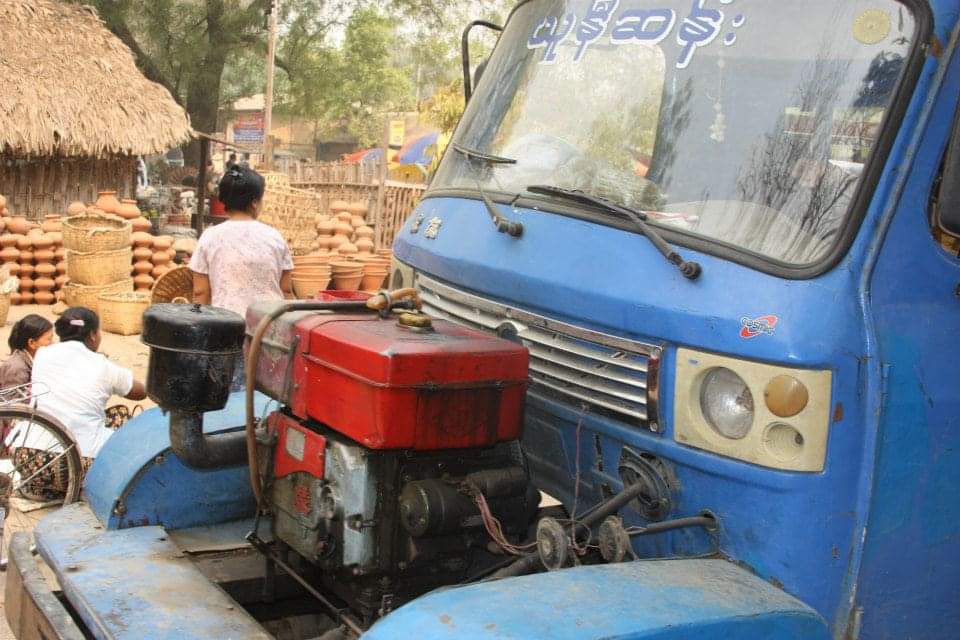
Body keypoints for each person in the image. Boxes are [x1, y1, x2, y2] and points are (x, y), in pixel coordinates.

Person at [31, 307, 147, 461]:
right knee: (124, 419)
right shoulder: (102, 365)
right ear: (92, 335)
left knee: (116, 413)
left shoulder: (42, 354)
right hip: (77, 458)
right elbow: (140, 392)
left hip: (28, 451)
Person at [189, 165, 293, 319]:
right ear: (255, 202)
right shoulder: (275, 237)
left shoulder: (209, 236)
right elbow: (286, 291)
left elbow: (200, 293)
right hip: (267, 325)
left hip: (227, 324)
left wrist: (198, 324)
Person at [0, 314, 54, 391]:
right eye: (49, 339)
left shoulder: (35, 359)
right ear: (32, 343)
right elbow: (13, 398)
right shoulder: (17, 368)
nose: (52, 343)